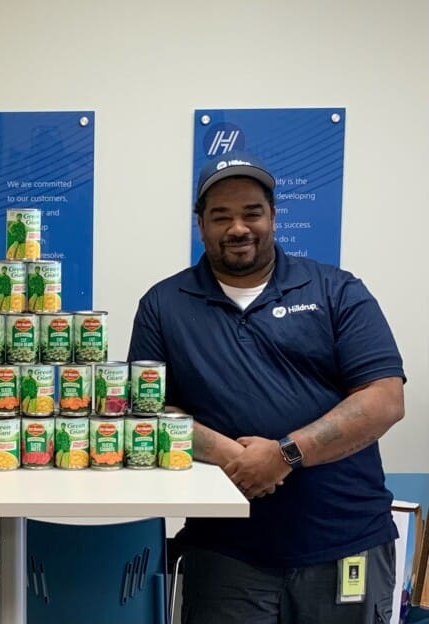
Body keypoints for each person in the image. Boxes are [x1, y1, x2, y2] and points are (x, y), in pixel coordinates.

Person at [127, 150, 405, 623]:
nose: (238, 227)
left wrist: (284, 453)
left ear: (273, 216)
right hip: (226, 550)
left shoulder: (335, 290)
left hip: (344, 538)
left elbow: (384, 400)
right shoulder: (164, 304)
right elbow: (145, 410)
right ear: (200, 225)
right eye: (221, 216)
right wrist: (234, 457)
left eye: (252, 212)